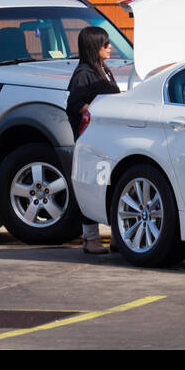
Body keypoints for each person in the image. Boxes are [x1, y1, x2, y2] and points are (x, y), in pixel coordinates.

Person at [66, 26, 119, 255]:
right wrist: (99, 113)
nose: (110, 47)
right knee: (94, 186)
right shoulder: (83, 75)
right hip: (93, 142)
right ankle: (91, 239)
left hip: (108, 141)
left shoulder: (103, 70)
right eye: (105, 43)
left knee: (111, 185)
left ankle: (118, 236)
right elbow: (74, 105)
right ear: (92, 46)